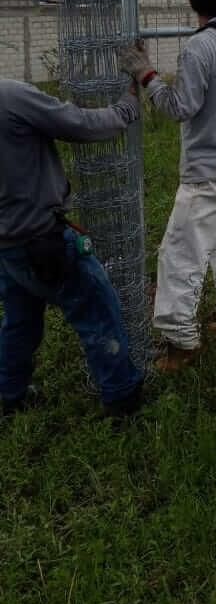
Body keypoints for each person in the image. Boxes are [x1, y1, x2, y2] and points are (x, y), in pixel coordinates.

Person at [120, 0, 216, 373]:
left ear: (192, 4)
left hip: (209, 173)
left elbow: (179, 107)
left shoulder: (199, 47)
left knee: (180, 256)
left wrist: (145, 75)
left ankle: (181, 342)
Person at [0, 79, 144, 419]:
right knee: (98, 310)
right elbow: (78, 124)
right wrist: (126, 107)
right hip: (39, 237)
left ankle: (9, 394)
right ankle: (122, 398)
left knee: (20, 321)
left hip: (6, 245)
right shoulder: (10, 96)